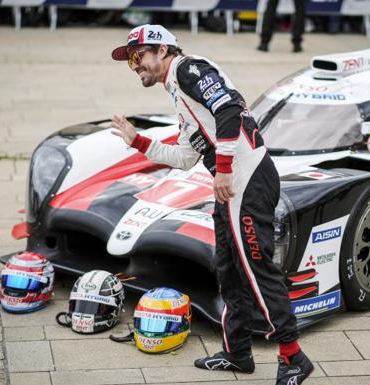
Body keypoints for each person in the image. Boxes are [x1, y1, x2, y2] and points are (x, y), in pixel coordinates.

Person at [110, 24, 314, 385]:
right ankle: (238, 353)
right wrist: (138, 141)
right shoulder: (177, 89)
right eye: (130, 61)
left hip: (245, 180)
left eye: (137, 55)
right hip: (233, 183)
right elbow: (187, 157)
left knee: (256, 268)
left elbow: (230, 108)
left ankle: (293, 356)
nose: (135, 65)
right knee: (229, 270)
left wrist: (222, 169)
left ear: (162, 50)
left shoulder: (188, 69)